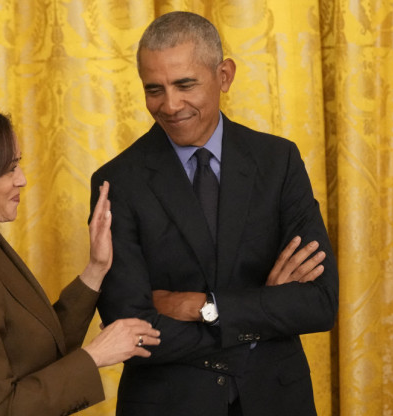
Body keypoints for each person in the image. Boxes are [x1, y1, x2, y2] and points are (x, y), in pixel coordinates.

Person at [89, 11, 338, 416]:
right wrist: (263, 312)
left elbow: (319, 302)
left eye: (185, 84)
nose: (170, 105)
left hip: (276, 400)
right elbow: (131, 333)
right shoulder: (117, 182)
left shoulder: (278, 161)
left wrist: (204, 307)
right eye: (155, 89)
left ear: (224, 75)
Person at [0, 100, 160, 416]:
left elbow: (38, 349)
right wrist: (95, 355)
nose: (21, 179)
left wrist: (96, 268)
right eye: (9, 169)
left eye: (17, 164)